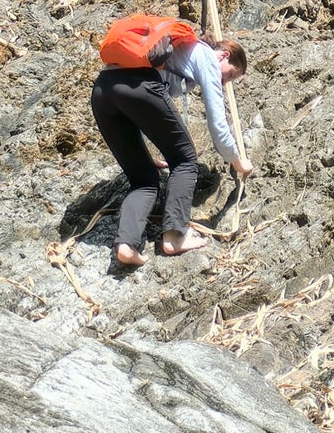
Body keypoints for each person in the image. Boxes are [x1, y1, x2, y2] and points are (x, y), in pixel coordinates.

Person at [90, 31, 253, 267]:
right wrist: (236, 160)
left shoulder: (177, 58)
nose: (224, 83)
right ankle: (175, 237)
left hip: (103, 90)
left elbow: (141, 110)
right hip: (138, 85)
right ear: (224, 56)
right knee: (185, 161)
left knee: (143, 178)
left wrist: (144, 155)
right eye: (230, 75)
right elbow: (217, 124)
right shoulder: (206, 55)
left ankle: (126, 245)